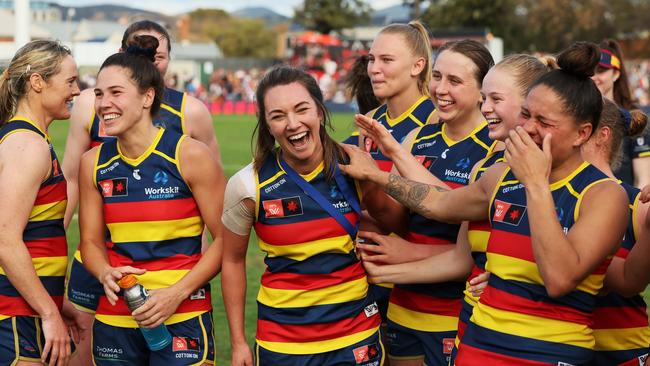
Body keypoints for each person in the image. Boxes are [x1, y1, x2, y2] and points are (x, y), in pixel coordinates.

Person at [340, 41, 629, 365]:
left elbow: (560, 278)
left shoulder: (603, 194)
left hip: (551, 354)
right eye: (525, 115)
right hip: (478, 346)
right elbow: (441, 203)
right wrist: (379, 177)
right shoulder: (501, 175)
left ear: (582, 133)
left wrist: (535, 183)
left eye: (544, 122)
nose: (528, 128)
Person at [354, 53, 556, 364]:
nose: (485, 107)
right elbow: (447, 215)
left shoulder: (541, 169)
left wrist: (507, 278)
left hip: (527, 336)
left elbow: (573, 267)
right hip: (476, 327)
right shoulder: (495, 170)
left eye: (495, 98)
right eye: (486, 98)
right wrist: (380, 270)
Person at [62, 20, 223, 365]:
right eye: (100, 93)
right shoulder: (93, 162)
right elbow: (89, 242)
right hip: (115, 317)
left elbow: (228, 240)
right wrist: (104, 271)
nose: (103, 103)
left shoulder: (190, 155)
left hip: (182, 314)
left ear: (148, 96)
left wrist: (176, 293)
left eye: (116, 93)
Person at [220, 66, 383, 366]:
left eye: (301, 109)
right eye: (278, 115)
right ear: (267, 125)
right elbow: (231, 261)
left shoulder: (356, 166)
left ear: (320, 112)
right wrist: (239, 342)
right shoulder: (246, 185)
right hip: (283, 343)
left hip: (355, 334)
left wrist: (375, 178)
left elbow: (395, 225)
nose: (292, 123)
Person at [353, 39, 495, 366]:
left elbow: (474, 238)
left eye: (455, 81)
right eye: (438, 77)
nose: (440, 89)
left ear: (481, 93)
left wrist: (412, 252)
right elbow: (398, 221)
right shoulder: (417, 138)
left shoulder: (493, 148)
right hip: (404, 306)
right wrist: (366, 182)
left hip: (455, 311)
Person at [0, 39, 80, 366]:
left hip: (27, 309)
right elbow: (6, 239)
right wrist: (48, 312)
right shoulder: (28, 146)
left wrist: (58, 304)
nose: (77, 91)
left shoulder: (30, 139)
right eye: (70, 81)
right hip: (17, 316)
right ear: (37, 82)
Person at [582, 99, 650, 365]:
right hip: (562, 350)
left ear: (601, 136)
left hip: (622, 355)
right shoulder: (551, 197)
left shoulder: (638, 204)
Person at [342, 21, 436, 173]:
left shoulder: (435, 119)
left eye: (387, 60)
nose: (374, 69)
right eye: (372, 59)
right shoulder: (371, 118)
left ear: (417, 66)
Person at [591, 39, 650, 188]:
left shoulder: (634, 117)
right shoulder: (576, 114)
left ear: (616, 74)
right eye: (590, 71)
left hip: (624, 205)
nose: (594, 77)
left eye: (601, 70)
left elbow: (643, 180)